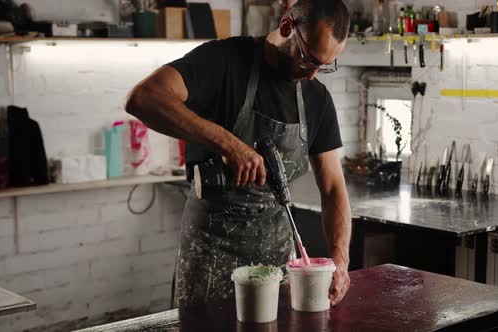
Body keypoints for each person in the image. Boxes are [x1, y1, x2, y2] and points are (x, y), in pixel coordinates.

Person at [125, 0, 352, 326]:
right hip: (212, 263)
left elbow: (332, 188)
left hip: (277, 270)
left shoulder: (316, 99)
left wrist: (339, 261)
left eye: (325, 65)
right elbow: (144, 98)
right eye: (308, 59)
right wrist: (228, 143)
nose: (313, 73)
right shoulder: (224, 61)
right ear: (287, 27)